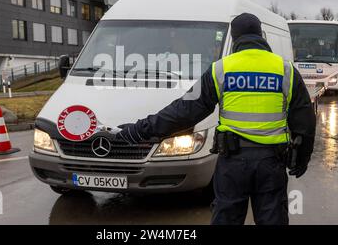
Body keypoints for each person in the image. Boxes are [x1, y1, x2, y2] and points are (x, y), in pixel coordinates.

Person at [115, 13, 316, 225]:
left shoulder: (220, 69)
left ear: (235, 37)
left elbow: (183, 111)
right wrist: (302, 158)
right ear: (260, 35)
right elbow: (305, 121)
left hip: (233, 163)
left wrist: (139, 130)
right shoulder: (285, 70)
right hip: (271, 163)